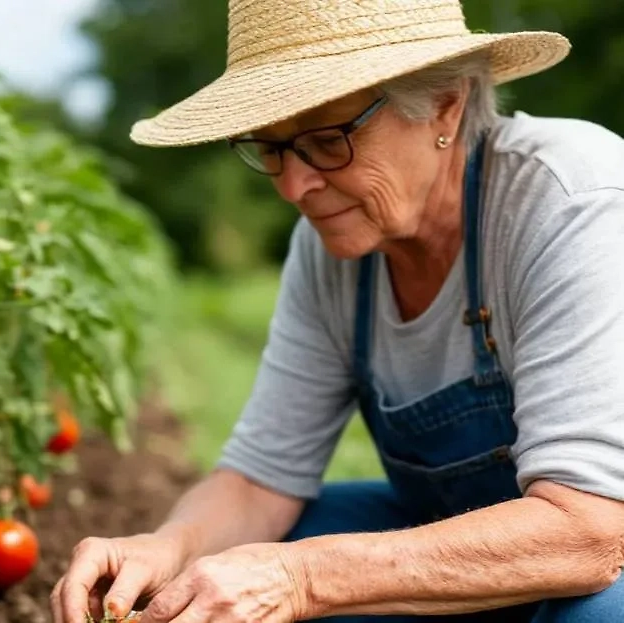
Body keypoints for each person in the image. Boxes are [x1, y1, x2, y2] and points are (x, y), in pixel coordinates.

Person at [50, 1, 624, 621]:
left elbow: (590, 532)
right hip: (483, 554)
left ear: (445, 104)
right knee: (259, 546)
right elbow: (259, 479)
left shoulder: (571, 202)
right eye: (270, 148)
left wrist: (303, 578)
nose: (294, 188)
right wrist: (167, 546)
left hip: (596, 548)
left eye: (328, 141)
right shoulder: (334, 250)